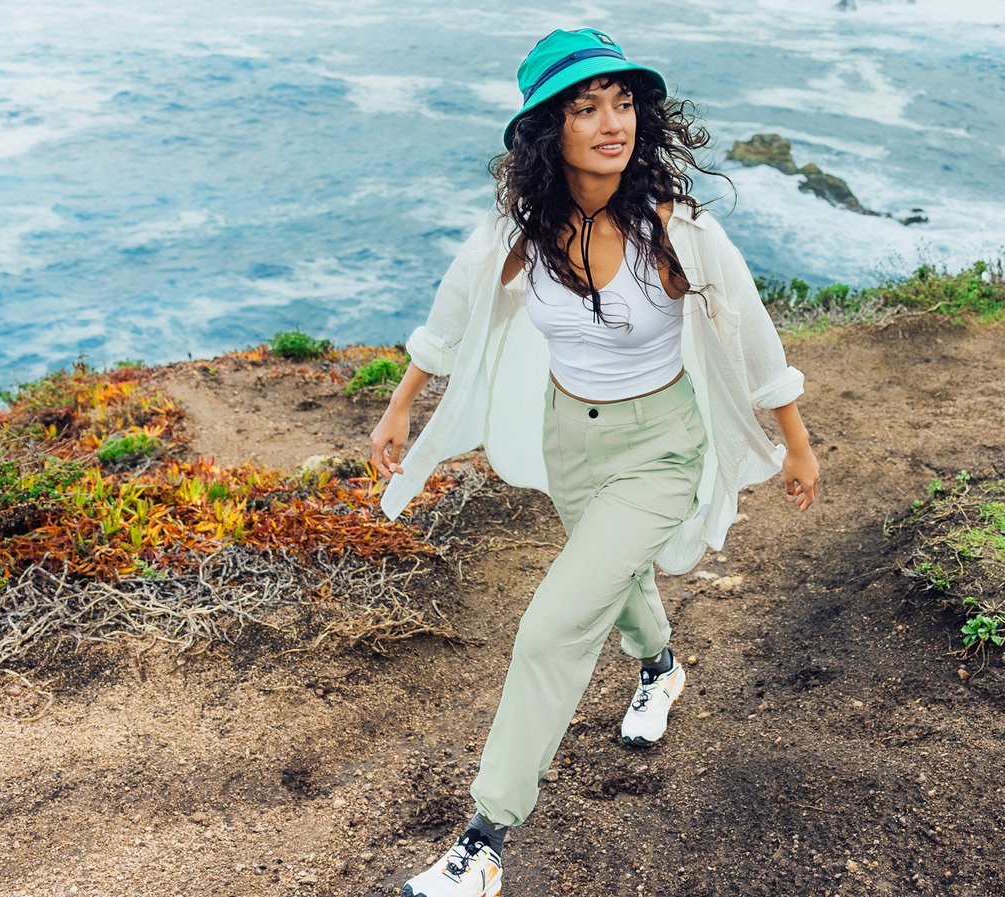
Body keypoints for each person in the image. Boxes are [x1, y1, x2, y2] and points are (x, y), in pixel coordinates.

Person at [369, 27, 819, 897]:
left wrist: (793, 440)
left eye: (622, 103)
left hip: (662, 445)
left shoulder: (674, 228)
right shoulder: (520, 230)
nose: (611, 122)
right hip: (568, 439)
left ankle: (485, 839)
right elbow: (455, 313)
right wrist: (400, 405)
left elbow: (752, 332)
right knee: (615, 582)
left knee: (551, 627)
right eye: (586, 107)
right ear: (551, 129)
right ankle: (660, 667)